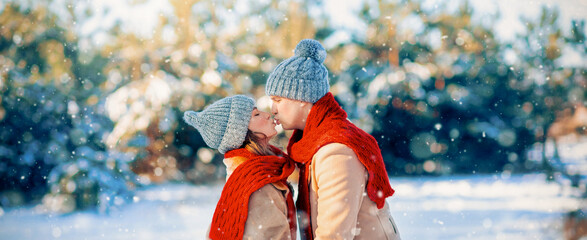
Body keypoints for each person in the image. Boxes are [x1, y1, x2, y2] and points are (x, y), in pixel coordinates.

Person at [265, 39, 401, 240]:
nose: (273, 109)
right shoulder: (312, 143)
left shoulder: (335, 150)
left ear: (302, 98)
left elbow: (334, 235)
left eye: (278, 100)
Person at [183, 95, 297, 240]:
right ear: (242, 134)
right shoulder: (255, 181)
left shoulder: (258, 170)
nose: (267, 114)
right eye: (256, 114)